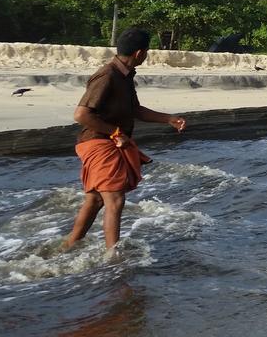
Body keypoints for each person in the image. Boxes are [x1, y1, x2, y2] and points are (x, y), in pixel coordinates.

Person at [62, 28, 187, 252]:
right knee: (115, 200)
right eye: (147, 51)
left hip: (105, 142)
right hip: (98, 142)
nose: (146, 54)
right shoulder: (107, 75)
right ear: (140, 53)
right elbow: (81, 114)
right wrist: (114, 132)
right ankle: (114, 258)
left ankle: (69, 245)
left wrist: (168, 119)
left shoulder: (125, 76)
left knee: (95, 200)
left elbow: (136, 110)